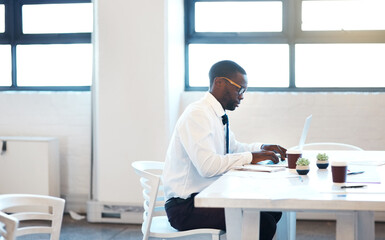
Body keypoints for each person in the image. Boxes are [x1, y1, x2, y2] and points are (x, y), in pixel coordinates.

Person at [162, 60, 287, 240]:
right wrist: (251, 157)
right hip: (185, 207)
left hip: (206, 198)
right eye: (240, 89)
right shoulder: (197, 114)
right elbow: (208, 166)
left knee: (271, 212)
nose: (242, 96)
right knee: (263, 223)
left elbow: (234, 147)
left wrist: (261, 148)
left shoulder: (216, 115)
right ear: (219, 82)